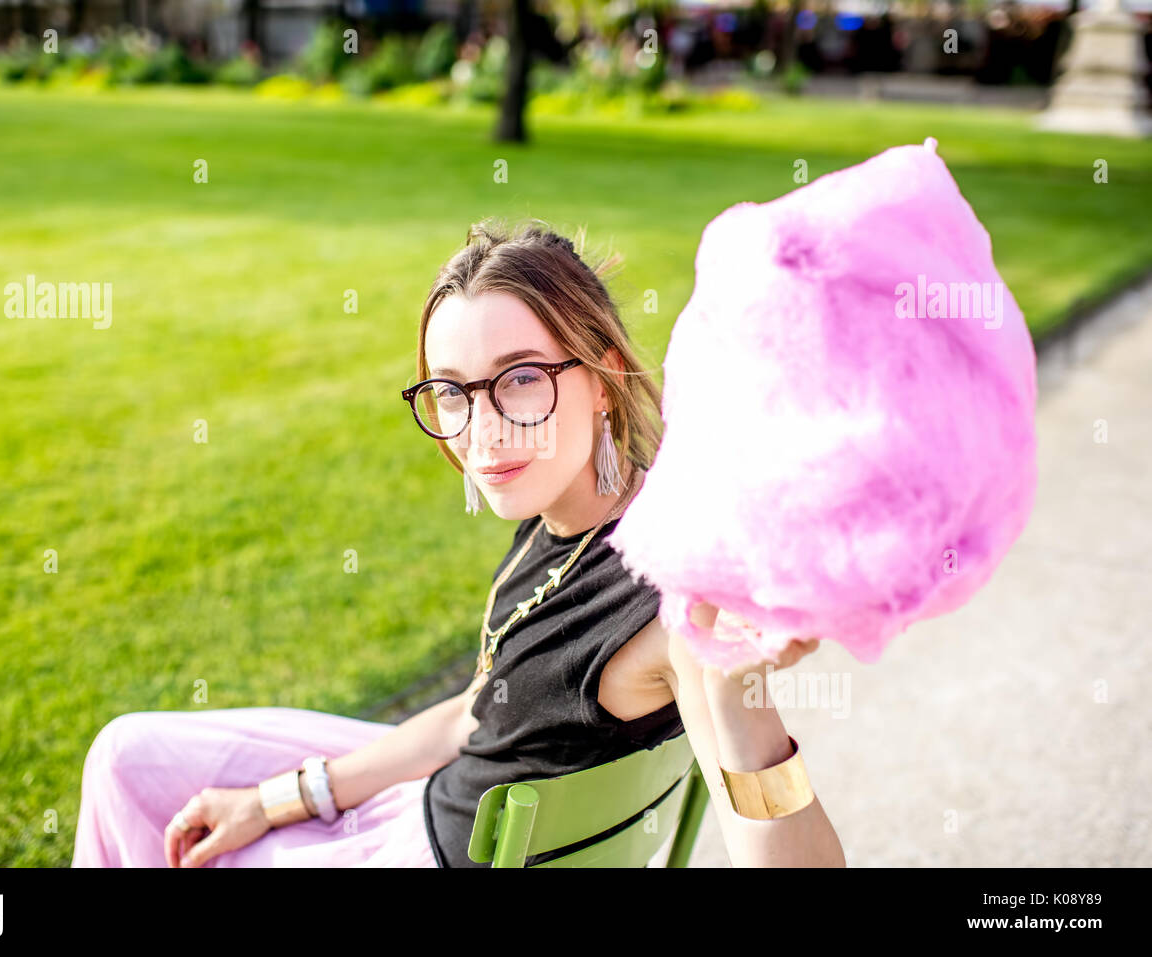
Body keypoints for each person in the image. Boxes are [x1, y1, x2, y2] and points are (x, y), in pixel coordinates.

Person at [71, 217, 844, 868]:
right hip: (440, 792)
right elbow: (471, 717)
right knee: (126, 753)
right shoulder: (575, 519)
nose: (482, 428)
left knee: (136, 787)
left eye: (520, 378)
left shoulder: (674, 608)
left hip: (427, 846)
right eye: (451, 390)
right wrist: (275, 801)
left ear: (603, 376)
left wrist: (736, 697)